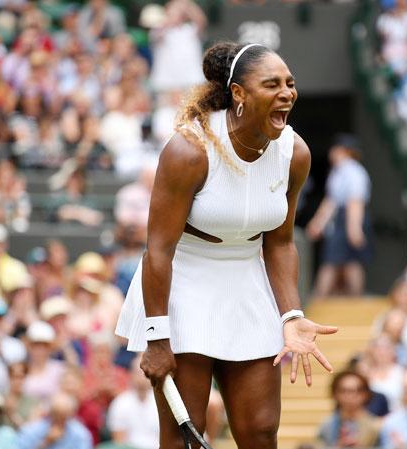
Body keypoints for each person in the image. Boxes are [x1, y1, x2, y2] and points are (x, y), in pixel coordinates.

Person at [115, 41, 337, 449]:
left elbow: (281, 241)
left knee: (261, 430)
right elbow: (159, 250)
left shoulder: (295, 154)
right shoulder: (189, 150)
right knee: (188, 436)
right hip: (184, 286)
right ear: (238, 93)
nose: (287, 92)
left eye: (290, 83)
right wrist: (158, 338)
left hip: (249, 287)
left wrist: (291, 313)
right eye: (272, 84)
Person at [306, 134, 372, 297]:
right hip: (341, 220)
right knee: (345, 262)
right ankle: (322, 298)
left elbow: (355, 202)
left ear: (345, 151)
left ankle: (321, 299)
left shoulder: (353, 171)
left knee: (342, 262)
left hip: (349, 219)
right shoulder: (338, 171)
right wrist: (318, 223)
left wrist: (354, 228)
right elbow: (331, 201)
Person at [106, 355, 159, 449]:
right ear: (131, 375)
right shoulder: (120, 402)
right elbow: (118, 442)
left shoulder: (161, 403)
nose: (142, 376)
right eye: (138, 372)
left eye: (146, 372)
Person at [318, 370, 380, 448]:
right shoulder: (327, 425)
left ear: (365, 394)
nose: (349, 396)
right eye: (344, 391)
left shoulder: (375, 426)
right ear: (335, 394)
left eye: (356, 391)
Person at [17, 393, 92, 449]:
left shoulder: (80, 434)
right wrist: (46, 442)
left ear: (71, 414)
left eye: (64, 415)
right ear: (50, 413)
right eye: (56, 414)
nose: (59, 419)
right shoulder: (32, 430)